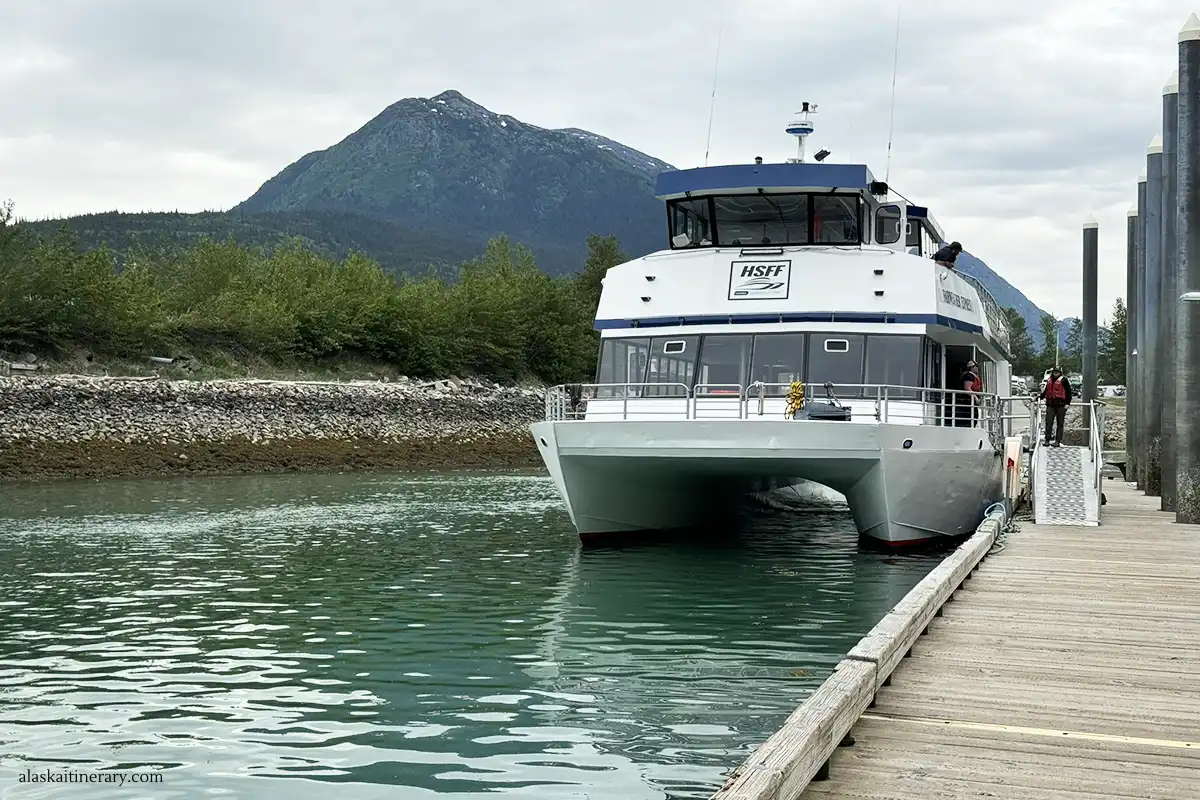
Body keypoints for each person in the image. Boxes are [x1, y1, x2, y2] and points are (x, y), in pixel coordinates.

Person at [1040, 365, 1073, 447]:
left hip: (1061, 405)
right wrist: (1038, 397)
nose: (1055, 373)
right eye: (1055, 372)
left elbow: (1069, 393)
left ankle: (1057, 441)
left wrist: (1067, 404)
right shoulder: (1049, 380)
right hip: (1050, 405)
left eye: (1057, 372)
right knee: (1048, 423)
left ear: (1060, 373)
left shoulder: (1064, 380)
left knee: (1060, 423)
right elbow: (1045, 392)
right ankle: (1047, 440)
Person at [954, 359, 982, 427]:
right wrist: (975, 398)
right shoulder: (969, 376)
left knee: (974, 417)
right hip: (967, 402)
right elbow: (967, 388)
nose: (977, 368)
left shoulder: (973, 376)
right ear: (972, 367)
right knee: (969, 418)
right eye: (976, 366)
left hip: (971, 402)